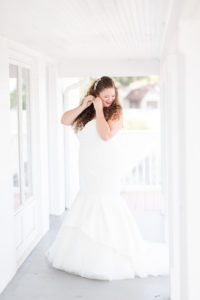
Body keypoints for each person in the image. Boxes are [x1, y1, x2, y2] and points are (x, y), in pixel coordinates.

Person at [45, 76, 169, 281]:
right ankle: (85, 252)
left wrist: (101, 109)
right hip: (87, 166)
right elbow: (64, 120)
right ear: (95, 95)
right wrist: (84, 106)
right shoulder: (86, 111)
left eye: (112, 95)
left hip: (105, 167)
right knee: (88, 198)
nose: (110, 99)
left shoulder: (116, 111)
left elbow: (105, 135)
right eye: (105, 97)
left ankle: (112, 251)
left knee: (105, 200)